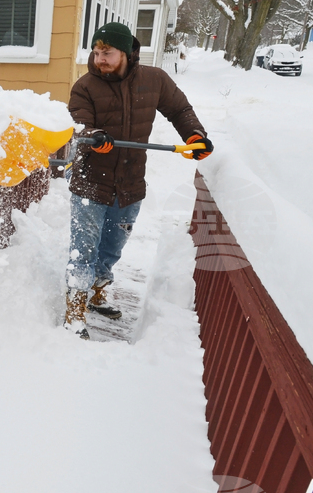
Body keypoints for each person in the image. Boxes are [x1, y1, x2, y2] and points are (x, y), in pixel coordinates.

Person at [65, 22, 213, 339]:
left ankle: (96, 293)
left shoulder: (154, 80)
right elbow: (78, 123)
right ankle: (75, 311)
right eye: (95, 52)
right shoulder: (85, 86)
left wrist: (195, 136)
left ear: (127, 53)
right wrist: (93, 136)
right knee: (83, 251)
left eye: (107, 52)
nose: (99, 58)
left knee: (113, 247)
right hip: (91, 183)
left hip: (130, 186)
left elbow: (179, 108)